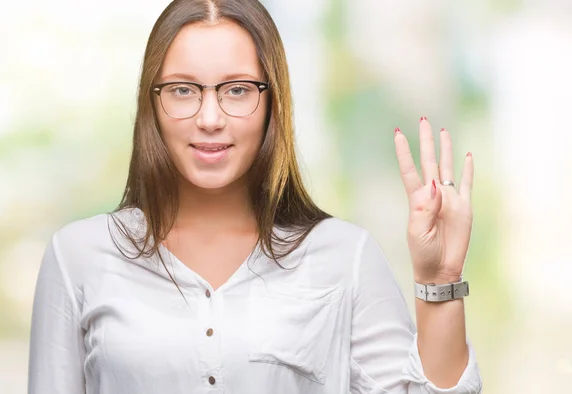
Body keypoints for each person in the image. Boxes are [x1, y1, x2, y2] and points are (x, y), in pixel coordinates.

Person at [27, 1, 483, 393]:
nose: (210, 117)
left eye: (238, 90)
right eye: (184, 90)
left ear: (272, 104)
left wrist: (440, 278)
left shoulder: (345, 256)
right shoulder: (78, 256)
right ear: (152, 103)